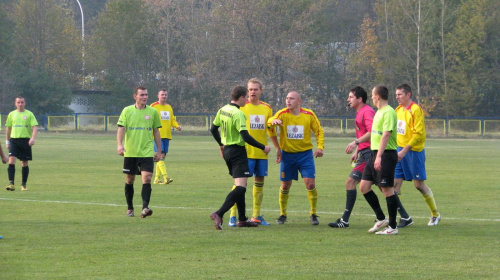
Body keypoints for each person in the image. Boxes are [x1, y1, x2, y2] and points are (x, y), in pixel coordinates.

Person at [209, 86, 271, 230]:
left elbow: (213, 129)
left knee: (240, 185)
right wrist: (263, 147)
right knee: (241, 188)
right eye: (246, 97)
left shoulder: (223, 109)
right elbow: (246, 137)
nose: (248, 99)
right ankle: (219, 213)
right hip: (237, 152)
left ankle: (242, 219)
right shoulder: (238, 114)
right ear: (242, 97)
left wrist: (221, 144)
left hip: (227, 151)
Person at [226, 79, 281, 227]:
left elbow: (270, 127)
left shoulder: (266, 108)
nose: (252, 92)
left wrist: (277, 144)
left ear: (261, 90)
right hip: (244, 152)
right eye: (250, 89)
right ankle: (232, 216)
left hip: (261, 152)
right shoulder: (242, 107)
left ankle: (256, 216)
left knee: (260, 183)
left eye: (255, 89)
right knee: (239, 185)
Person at [267, 91, 324, 225]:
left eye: (291, 98)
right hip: (288, 156)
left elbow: (318, 131)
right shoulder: (282, 113)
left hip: (305, 155)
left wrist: (320, 147)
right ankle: (283, 214)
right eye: (287, 98)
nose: (288, 101)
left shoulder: (308, 115)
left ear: (299, 102)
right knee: (285, 185)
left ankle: (313, 214)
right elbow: (269, 124)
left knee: (310, 184)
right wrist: (272, 121)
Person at [394, 83, 441, 227]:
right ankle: (404, 217)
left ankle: (435, 214)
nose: (397, 97)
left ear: (408, 95)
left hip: (413, 152)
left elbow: (418, 135)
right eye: (396, 95)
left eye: (400, 94)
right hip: (398, 151)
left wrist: (404, 151)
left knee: (419, 185)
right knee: (394, 185)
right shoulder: (397, 110)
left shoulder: (415, 110)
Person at [328, 86, 375, 228]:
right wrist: (357, 151)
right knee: (383, 187)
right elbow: (364, 134)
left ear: (359, 99)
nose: (348, 99)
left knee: (351, 182)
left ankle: (345, 221)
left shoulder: (366, 111)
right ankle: (401, 216)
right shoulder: (360, 111)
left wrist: (356, 143)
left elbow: (372, 131)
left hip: (369, 154)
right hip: (365, 152)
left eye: (351, 97)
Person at [359, 85, 401, 235]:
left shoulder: (389, 112)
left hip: (386, 155)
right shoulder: (378, 112)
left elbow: (386, 135)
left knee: (387, 189)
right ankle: (381, 219)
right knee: (364, 186)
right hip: (374, 153)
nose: (371, 97)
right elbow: (374, 133)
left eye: (372, 95)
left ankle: (393, 227)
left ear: (377, 96)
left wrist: (378, 157)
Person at [117, 86, 162, 218]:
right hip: (130, 152)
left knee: (147, 178)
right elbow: (121, 129)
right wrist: (120, 145)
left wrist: (158, 151)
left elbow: (156, 131)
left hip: (147, 152)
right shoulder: (127, 110)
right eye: (142, 95)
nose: (145, 97)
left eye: (146, 95)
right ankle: (130, 208)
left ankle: (145, 207)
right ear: (135, 96)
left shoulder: (153, 112)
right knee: (130, 180)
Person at [5, 97, 38, 191]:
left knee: (24, 163)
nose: (20, 104)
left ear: (25, 103)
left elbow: (35, 127)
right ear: (15, 103)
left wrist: (32, 138)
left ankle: (23, 185)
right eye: (18, 102)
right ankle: (11, 183)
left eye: (22, 102)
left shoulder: (29, 114)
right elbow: (8, 129)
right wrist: (7, 141)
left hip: (25, 141)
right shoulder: (11, 114)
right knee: (11, 161)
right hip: (13, 141)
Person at [150, 89, 182, 185]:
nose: (164, 96)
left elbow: (172, 119)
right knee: (161, 155)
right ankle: (166, 177)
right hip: (157, 135)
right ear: (158, 96)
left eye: (165, 95)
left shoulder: (169, 107)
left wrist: (177, 126)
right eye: (162, 94)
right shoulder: (153, 106)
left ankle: (156, 179)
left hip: (167, 135)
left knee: (162, 157)